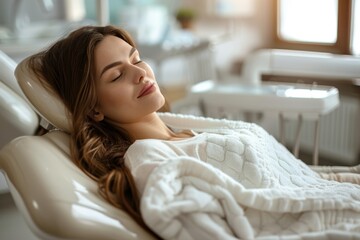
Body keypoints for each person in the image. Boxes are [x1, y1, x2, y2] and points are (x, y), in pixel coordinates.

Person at [28, 25, 360, 239]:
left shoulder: (182, 130)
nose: (140, 74)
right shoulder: (153, 162)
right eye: (116, 76)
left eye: (137, 59)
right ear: (95, 109)